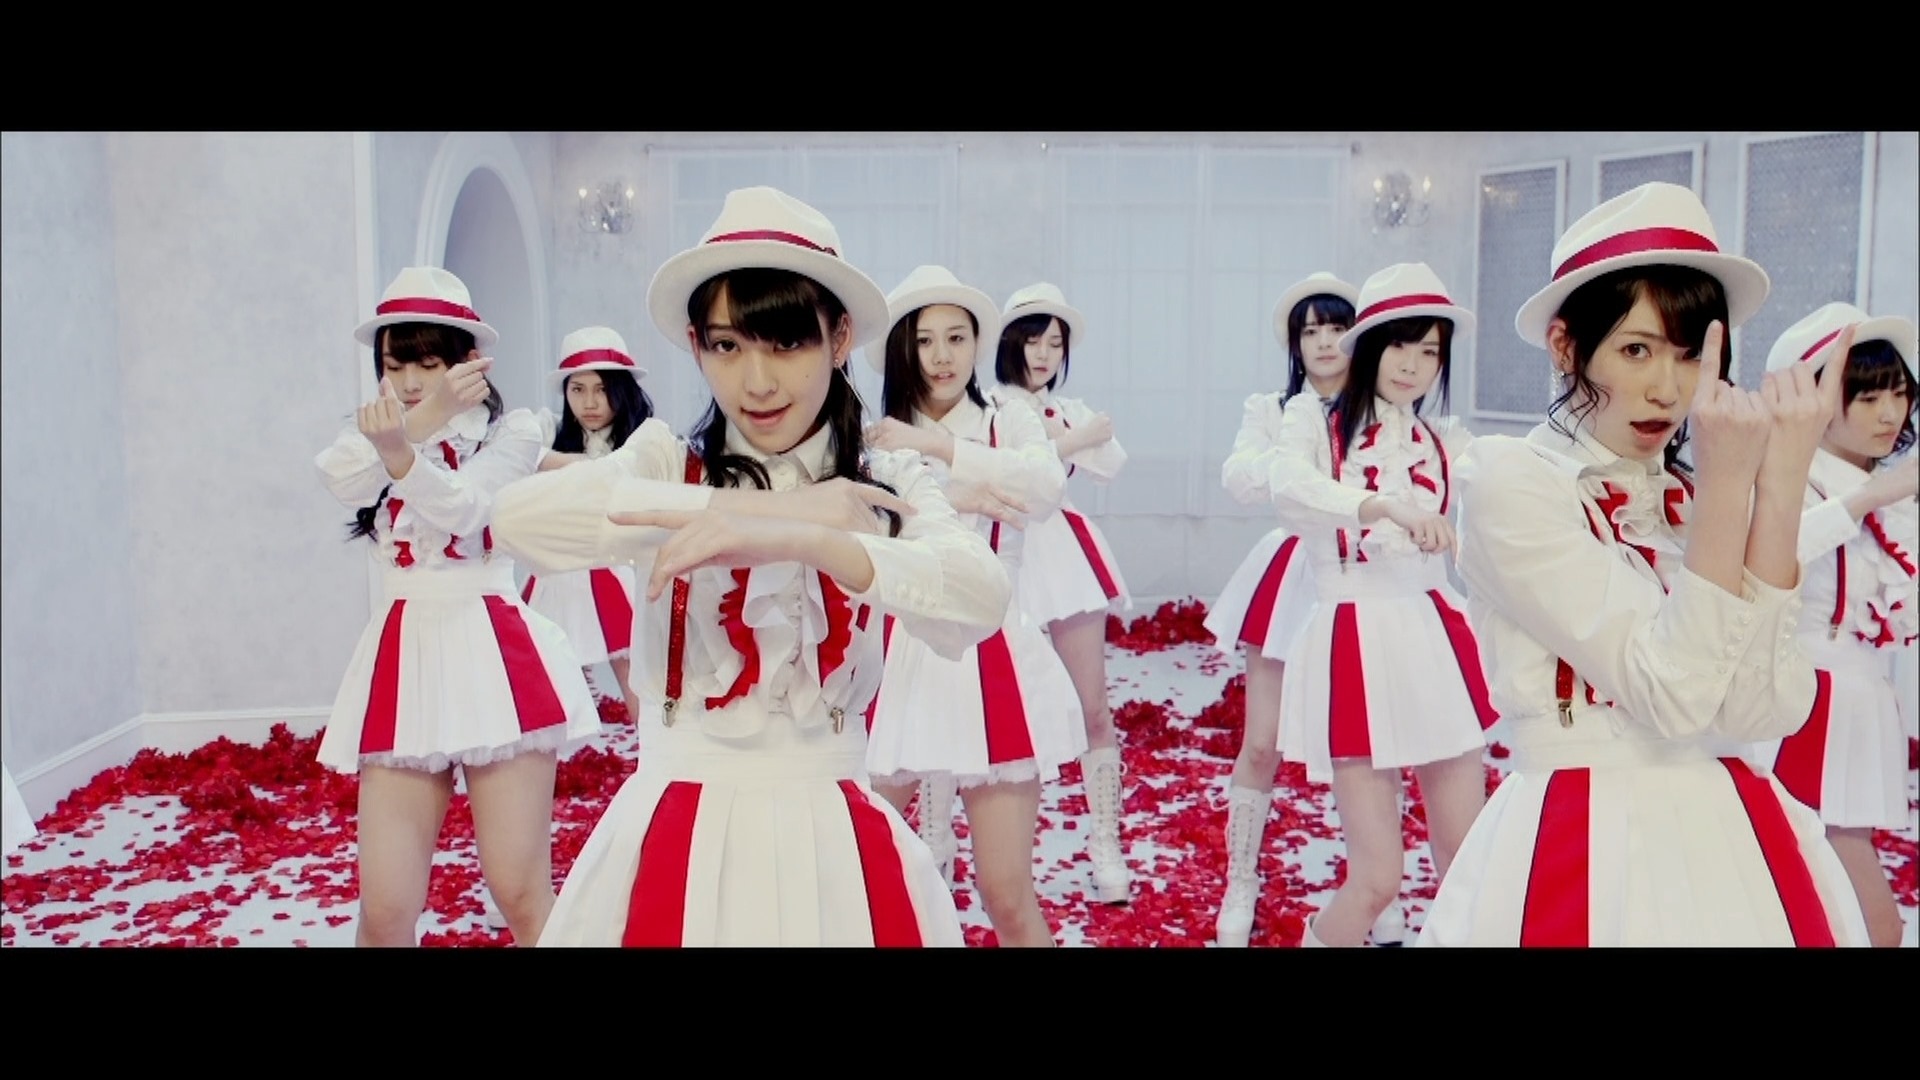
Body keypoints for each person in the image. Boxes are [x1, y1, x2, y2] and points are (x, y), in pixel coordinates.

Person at [489, 187, 1011, 946]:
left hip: (830, 836)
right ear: (696, 345)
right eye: (727, 346)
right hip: (679, 824)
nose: (756, 381)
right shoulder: (667, 459)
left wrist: (810, 539)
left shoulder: (884, 479)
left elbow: (979, 596)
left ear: (839, 337)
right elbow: (517, 520)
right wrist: (759, 511)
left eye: (786, 344)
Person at [1416, 181, 1870, 947]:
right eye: (1637, 350)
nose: (1668, 388)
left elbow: (1762, 711)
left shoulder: (1693, 499)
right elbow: (1674, 696)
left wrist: (1780, 486)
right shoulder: (1513, 483)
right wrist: (1730, 488)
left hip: (1732, 839)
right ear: (1566, 346)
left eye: (1690, 356)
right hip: (1586, 838)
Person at [315, 266, 601, 947]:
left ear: (468, 361)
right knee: (386, 908)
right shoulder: (378, 433)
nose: (410, 381)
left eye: (427, 363)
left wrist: (404, 444)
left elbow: (468, 510)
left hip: (493, 652)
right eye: (395, 365)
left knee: (520, 892)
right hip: (406, 655)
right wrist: (413, 429)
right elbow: (339, 477)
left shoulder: (516, 431)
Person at [1265, 262, 1497, 947]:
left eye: (1430, 351)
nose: (1414, 366)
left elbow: (1513, 490)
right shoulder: (1312, 420)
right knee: (1377, 879)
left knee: (1467, 860)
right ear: (1367, 345)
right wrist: (1382, 506)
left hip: (1434, 636)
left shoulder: (1445, 440)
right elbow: (1287, 486)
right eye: (1400, 344)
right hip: (1354, 638)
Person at [861, 264, 1086, 946]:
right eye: (925, 340)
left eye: (956, 338)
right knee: (858, 872)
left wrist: (939, 449)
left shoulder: (1007, 417)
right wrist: (956, 493)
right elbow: (864, 519)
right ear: (902, 350)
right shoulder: (875, 435)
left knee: (1006, 894)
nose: (942, 356)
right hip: (896, 655)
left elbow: (1043, 488)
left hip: (995, 652)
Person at [1206, 271, 1405, 946]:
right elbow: (1240, 477)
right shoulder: (1273, 408)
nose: (1323, 342)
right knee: (1261, 740)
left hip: (1368, 576)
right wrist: (1301, 471)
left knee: (1371, 739)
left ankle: (1377, 884)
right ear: (1294, 343)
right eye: (1310, 331)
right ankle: (1241, 880)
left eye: (1336, 328)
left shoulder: (1385, 407)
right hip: (1295, 573)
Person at [1751, 301, 1917, 947]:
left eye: (1899, 394)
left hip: (1861, 692)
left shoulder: (1891, 486)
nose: (1889, 413)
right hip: (1804, 694)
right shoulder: (1792, 475)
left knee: (1821, 891)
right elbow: (1774, 553)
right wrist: (1873, 496)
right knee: (1850, 906)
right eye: (1868, 396)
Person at [986, 283, 1134, 904]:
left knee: (1093, 705)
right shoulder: (987, 405)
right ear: (1008, 343)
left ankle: (1106, 843)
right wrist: (1071, 440)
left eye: (1055, 343)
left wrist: (1072, 429)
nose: (1044, 354)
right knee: (973, 702)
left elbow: (1113, 461)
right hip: (1001, 550)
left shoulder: (1064, 407)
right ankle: (943, 842)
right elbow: (1006, 469)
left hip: (1063, 556)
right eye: (1033, 341)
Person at [522, 325, 657, 726]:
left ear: (622, 391)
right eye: (577, 389)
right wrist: (573, 463)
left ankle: (651, 748)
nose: (590, 402)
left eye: (601, 389)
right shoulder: (549, 430)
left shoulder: (644, 439)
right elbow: (514, 450)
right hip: (557, 570)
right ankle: (568, 742)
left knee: (630, 660)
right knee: (553, 661)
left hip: (616, 564)